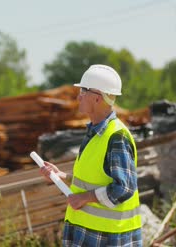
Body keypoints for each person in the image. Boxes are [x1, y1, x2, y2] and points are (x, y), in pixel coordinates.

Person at [39, 64, 142, 246]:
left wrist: (84, 198)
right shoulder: (95, 133)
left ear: (97, 97)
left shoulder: (116, 137)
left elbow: (124, 188)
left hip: (109, 237)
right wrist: (60, 176)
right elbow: (90, 180)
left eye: (83, 91)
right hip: (87, 232)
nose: (78, 97)